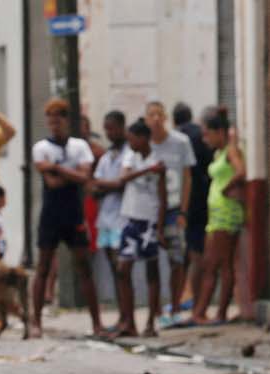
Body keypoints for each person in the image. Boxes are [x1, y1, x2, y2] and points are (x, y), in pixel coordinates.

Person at [29, 98, 102, 339]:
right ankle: (36, 321)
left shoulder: (79, 146)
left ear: (66, 121)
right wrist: (71, 174)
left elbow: (85, 177)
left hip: (74, 212)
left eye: (59, 120)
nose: (55, 125)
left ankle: (96, 322)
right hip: (51, 213)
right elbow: (51, 181)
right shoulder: (41, 147)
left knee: (84, 267)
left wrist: (59, 169)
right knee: (43, 267)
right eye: (51, 120)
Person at [109, 119, 167, 338]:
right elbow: (123, 178)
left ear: (143, 138)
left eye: (133, 139)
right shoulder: (131, 156)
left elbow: (162, 196)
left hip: (149, 219)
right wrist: (146, 170)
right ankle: (129, 321)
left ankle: (151, 322)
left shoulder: (158, 159)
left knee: (152, 270)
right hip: (129, 217)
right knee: (123, 268)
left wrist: (160, 227)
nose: (130, 142)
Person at [190, 112, 245, 327]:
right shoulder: (218, 153)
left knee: (220, 263)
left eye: (208, 134)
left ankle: (217, 312)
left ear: (219, 132)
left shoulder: (231, 151)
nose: (206, 140)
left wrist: (226, 188)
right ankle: (202, 311)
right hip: (215, 215)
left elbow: (241, 171)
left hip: (226, 213)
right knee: (210, 263)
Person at [144, 101, 196, 326]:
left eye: (159, 114)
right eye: (151, 115)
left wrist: (184, 210)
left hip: (175, 208)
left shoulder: (180, 142)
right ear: (146, 120)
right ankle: (154, 310)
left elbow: (187, 178)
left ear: (165, 117)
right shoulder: (143, 145)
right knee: (151, 260)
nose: (155, 118)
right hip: (151, 210)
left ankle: (175, 306)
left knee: (177, 258)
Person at [90, 111, 132, 327]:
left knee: (122, 269)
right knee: (113, 269)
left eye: (113, 128)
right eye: (106, 128)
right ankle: (121, 315)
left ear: (122, 126)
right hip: (105, 218)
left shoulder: (129, 153)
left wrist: (104, 185)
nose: (109, 132)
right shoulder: (107, 156)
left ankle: (127, 316)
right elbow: (94, 186)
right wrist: (106, 186)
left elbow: (120, 183)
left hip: (121, 218)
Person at [176, 102, 215, 311]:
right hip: (206, 201)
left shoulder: (178, 139)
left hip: (186, 203)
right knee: (196, 251)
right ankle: (192, 299)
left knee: (192, 253)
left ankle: (188, 300)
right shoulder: (199, 137)